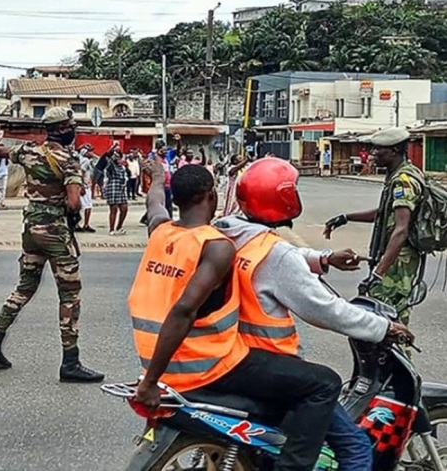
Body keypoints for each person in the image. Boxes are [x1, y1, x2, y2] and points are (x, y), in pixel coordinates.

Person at [133, 163, 342, 471]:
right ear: (211, 195)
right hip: (209, 365)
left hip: (160, 362)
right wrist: (149, 383)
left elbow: (154, 203)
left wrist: (154, 176)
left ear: (174, 197)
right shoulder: (216, 246)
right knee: (325, 383)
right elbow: (184, 310)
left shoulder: (160, 231)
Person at [213, 158, 413, 471]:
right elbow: (326, 310)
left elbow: (282, 257)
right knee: (356, 446)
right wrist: (382, 327)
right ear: (283, 197)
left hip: (232, 354)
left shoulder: (229, 232)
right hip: (271, 362)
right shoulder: (275, 254)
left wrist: (324, 259)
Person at [0, 106, 104, 383]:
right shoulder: (69, 160)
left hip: (31, 230)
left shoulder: (30, 151)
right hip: (55, 233)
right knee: (70, 294)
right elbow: (74, 202)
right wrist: (72, 202)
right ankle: (70, 362)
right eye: (71, 126)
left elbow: (0, 151)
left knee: (24, 288)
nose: (73, 130)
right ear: (63, 129)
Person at [323, 127, 425, 324]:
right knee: (387, 319)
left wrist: (379, 272)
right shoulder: (397, 175)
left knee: (387, 320)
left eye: (378, 149)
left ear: (394, 151)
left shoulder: (403, 181)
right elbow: (385, 213)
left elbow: (401, 229)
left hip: (397, 263)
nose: (372, 153)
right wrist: (345, 218)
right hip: (393, 260)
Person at [104, 145, 129, 235]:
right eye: (115, 155)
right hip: (113, 187)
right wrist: (113, 148)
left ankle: (119, 226)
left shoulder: (122, 166)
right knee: (113, 209)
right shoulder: (111, 165)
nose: (117, 157)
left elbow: (127, 175)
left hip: (121, 188)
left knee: (124, 208)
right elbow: (108, 157)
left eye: (118, 156)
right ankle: (111, 229)